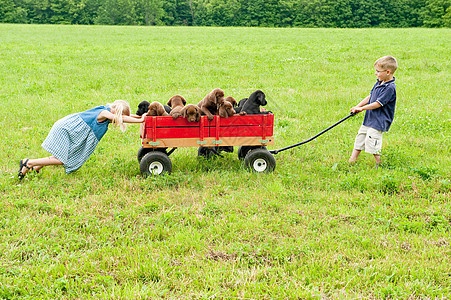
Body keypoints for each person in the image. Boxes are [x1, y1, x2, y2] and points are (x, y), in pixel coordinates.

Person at [18, 100, 145, 179]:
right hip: (65, 128)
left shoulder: (107, 113)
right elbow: (120, 118)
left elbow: (123, 117)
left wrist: (139, 116)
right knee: (62, 159)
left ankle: (35, 169)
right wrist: (140, 120)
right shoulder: (103, 113)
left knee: (63, 154)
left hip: (68, 129)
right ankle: (29, 162)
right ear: (116, 112)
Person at [349, 55, 397, 167]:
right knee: (360, 137)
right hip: (369, 118)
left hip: (379, 120)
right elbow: (371, 97)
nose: (376, 73)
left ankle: (379, 164)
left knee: (372, 141)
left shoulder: (390, 88)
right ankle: (352, 160)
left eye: (378, 71)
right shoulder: (380, 82)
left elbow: (378, 104)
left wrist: (362, 108)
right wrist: (358, 106)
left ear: (388, 72)